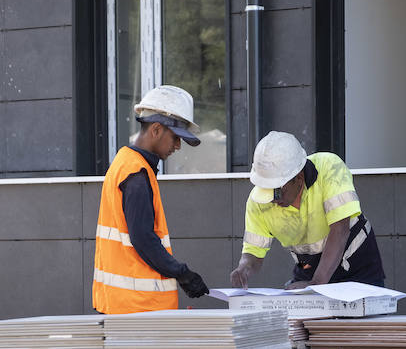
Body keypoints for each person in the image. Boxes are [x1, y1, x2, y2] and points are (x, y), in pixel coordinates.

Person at [93, 85, 209, 314]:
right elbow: (143, 238)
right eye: (175, 138)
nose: (177, 146)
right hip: (138, 308)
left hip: (123, 304)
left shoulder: (126, 164)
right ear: (156, 129)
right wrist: (182, 273)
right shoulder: (136, 173)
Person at [230, 131, 384, 289]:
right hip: (309, 270)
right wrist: (244, 268)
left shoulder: (329, 168)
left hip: (358, 267)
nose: (273, 200)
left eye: (276, 191)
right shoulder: (258, 202)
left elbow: (340, 230)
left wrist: (316, 283)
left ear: (299, 177)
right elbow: (254, 252)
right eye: (266, 191)